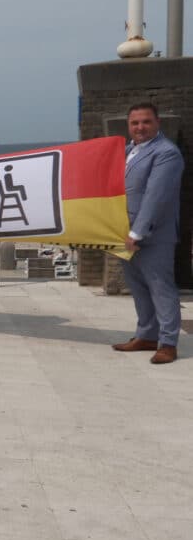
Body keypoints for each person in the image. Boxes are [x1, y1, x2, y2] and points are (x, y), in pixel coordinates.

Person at [112, 103, 185, 364]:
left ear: (158, 123)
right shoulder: (127, 151)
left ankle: (168, 342)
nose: (140, 127)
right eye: (135, 123)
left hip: (151, 235)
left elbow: (156, 196)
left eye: (146, 122)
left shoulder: (166, 153)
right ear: (128, 126)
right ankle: (146, 334)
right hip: (122, 234)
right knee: (138, 287)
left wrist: (137, 232)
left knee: (160, 288)